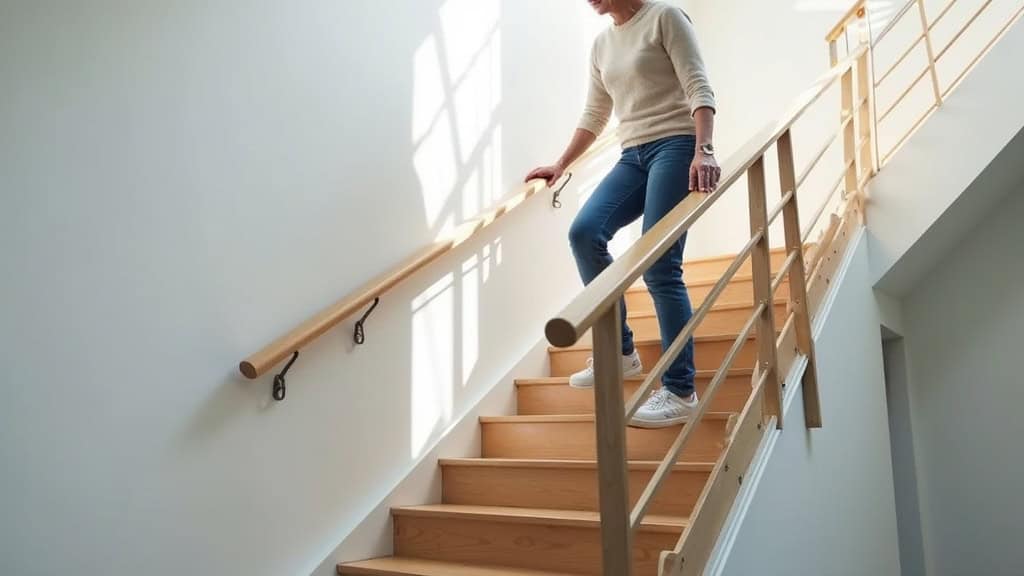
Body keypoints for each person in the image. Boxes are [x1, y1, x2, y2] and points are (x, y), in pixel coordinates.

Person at [526, 0, 720, 428]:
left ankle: (681, 390)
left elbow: (698, 86)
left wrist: (704, 150)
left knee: (660, 264)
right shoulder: (601, 44)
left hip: (676, 144)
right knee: (584, 233)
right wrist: (560, 164)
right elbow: (595, 114)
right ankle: (619, 351)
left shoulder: (665, 17)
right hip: (632, 154)